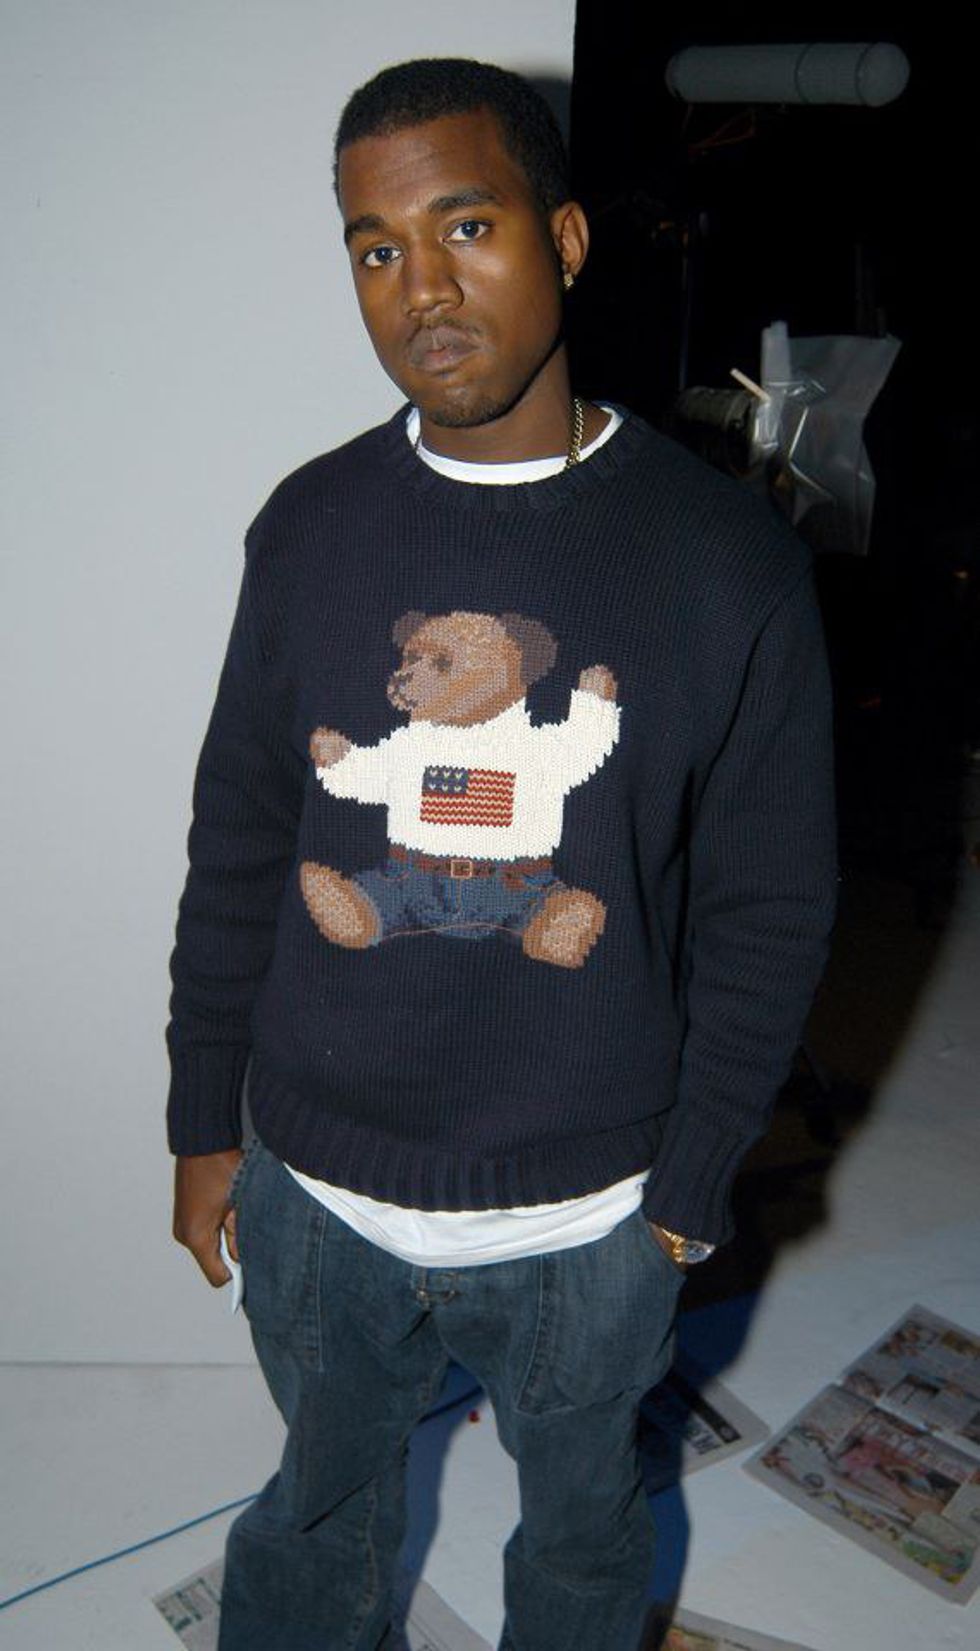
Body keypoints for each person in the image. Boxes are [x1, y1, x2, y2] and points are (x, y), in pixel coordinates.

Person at [167, 58, 837, 1651]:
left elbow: (768, 905)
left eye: (466, 226)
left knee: (586, 1536)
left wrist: (690, 1184)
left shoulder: (721, 560)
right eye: (376, 247)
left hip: (588, 1215)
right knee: (314, 1512)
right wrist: (202, 1118)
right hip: (318, 1190)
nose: (422, 288)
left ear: (569, 239)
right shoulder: (309, 527)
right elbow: (241, 834)